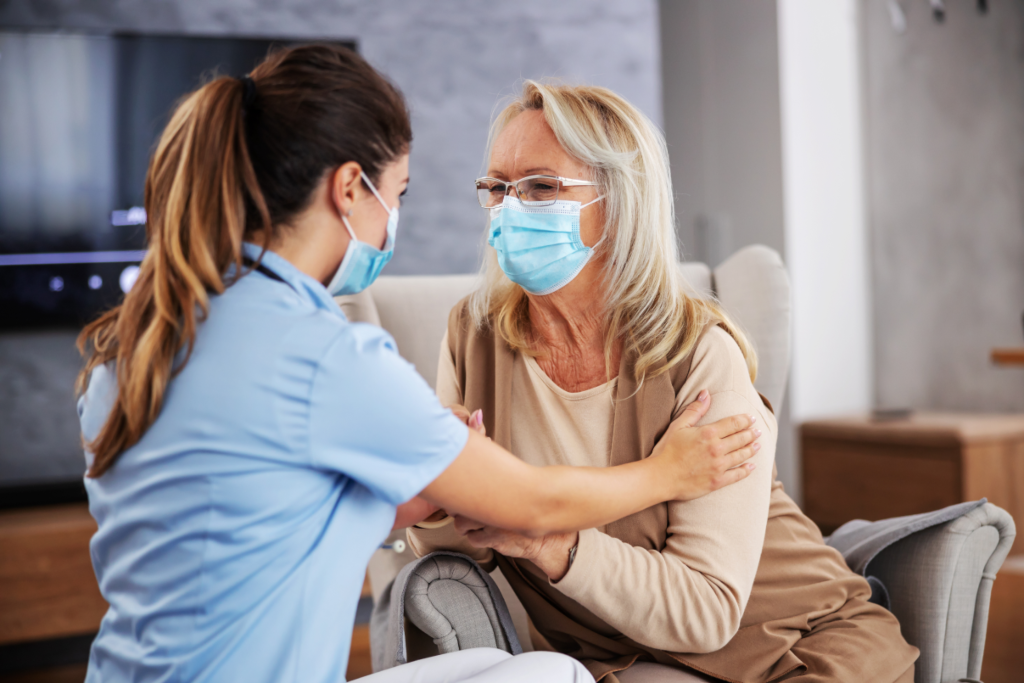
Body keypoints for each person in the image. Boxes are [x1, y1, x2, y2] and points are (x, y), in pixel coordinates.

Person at [75, 46, 762, 683]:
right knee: (556, 676)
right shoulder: (325, 355)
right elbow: (533, 503)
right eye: (397, 194)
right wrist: (667, 472)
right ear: (350, 189)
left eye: (539, 188)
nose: (392, 224)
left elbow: (260, 521)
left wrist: (430, 494)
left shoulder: (137, 345)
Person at [406, 81, 920, 683]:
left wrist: (551, 543)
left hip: (792, 645)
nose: (511, 208)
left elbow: (707, 613)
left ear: (619, 203)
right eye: (497, 188)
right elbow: (456, 543)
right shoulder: (473, 335)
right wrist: (443, 500)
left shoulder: (699, 353)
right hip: (618, 655)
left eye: (541, 187)